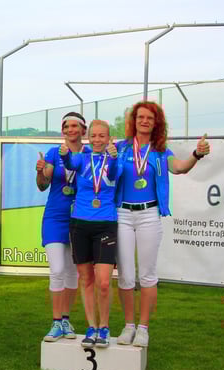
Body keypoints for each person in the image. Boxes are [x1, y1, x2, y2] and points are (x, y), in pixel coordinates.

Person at [114, 101, 210, 347]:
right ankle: (128, 326)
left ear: (156, 123)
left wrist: (196, 154)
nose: (144, 121)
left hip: (149, 214)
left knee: (147, 274)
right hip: (122, 214)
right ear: (134, 121)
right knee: (125, 274)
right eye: (141, 117)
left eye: (150, 118)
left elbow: (180, 168)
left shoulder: (160, 150)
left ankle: (143, 328)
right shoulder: (121, 148)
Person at [61, 120, 118, 347]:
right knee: (86, 279)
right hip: (80, 224)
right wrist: (65, 155)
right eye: (93, 136)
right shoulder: (82, 158)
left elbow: (114, 173)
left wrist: (113, 158)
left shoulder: (114, 159)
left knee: (103, 282)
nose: (97, 140)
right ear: (89, 137)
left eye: (102, 136)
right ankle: (91, 326)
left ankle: (104, 327)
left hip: (105, 224)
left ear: (109, 138)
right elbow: (70, 162)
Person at [36, 112, 91, 342]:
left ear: (83, 130)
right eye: (66, 126)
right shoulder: (53, 153)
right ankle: (56, 322)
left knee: (72, 272)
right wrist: (40, 171)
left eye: (75, 126)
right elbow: (42, 185)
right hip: (55, 217)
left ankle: (65, 320)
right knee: (57, 269)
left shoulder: (90, 154)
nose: (70, 130)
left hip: (80, 217)